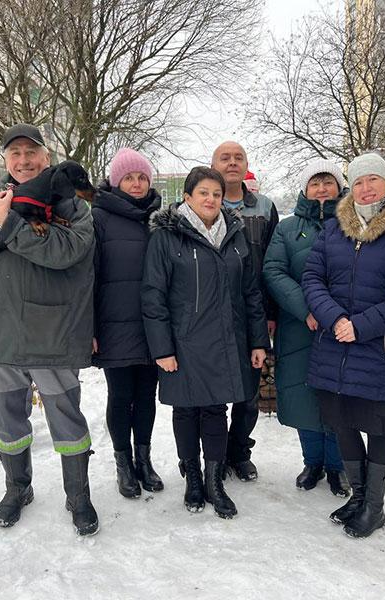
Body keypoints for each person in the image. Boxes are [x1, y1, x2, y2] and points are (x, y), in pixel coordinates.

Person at [0, 123, 99, 536]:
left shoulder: (72, 205)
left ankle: (78, 495)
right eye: (14, 153)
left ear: (46, 157)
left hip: (55, 330)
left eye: (31, 152)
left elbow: (66, 251)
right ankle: (17, 488)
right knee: (7, 418)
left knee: (66, 418)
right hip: (3, 332)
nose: (23, 160)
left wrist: (9, 224)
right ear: (5, 160)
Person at [301, 152, 385, 538]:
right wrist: (335, 319)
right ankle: (358, 497)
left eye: (373, 179)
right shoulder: (334, 230)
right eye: (358, 181)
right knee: (343, 424)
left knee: (376, 428)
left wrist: (360, 326)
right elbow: (313, 278)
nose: (365, 187)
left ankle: (374, 507)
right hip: (334, 347)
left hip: (380, 349)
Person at [141, 166, 269, 518]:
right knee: (186, 410)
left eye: (216, 193)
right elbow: (153, 296)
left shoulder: (234, 235)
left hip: (226, 340)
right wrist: (162, 349)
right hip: (183, 342)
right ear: (187, 197)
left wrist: (258, 341)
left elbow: (251, 293)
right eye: (203, 193)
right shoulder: (167, 237)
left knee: (215, 410)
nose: (210, 199)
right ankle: (193, 478)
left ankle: (214, 480)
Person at [263, 159, 351, 495]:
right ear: (305, 189)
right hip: (300, 325)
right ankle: (312, 461)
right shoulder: (287, 228)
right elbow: (274, 270)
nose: (322, 189)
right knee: (303, 394)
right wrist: (307, 309)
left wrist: (334, 312)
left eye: (328, 182)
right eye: (315, 183)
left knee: (339, 396)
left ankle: (338, 466)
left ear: (340, 186)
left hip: (343, 325)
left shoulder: (353, 222)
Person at [92, 148, 164, 499]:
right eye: (129, 178)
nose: (136, 184)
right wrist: (90, 327)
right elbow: (88, 275)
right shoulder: (99, 217)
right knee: (120, 396)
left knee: (146, 395)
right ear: (115, 181)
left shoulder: (160, 218)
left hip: (152, 325)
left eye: (142, 177)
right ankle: (123, 464)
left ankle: (143, 460)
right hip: (114, 324)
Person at [211, 141, 279, 481]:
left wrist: (271, 312)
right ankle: (214, 455)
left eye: (238, 158)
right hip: (210, 315)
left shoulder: (264, 207)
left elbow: (275, 262)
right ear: (213, 165)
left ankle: (239, 453)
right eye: (225, 158)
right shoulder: (203, 203)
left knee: (249, 393)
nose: (232, 163)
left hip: (253, 313)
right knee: (212, 392)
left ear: (247, 164)